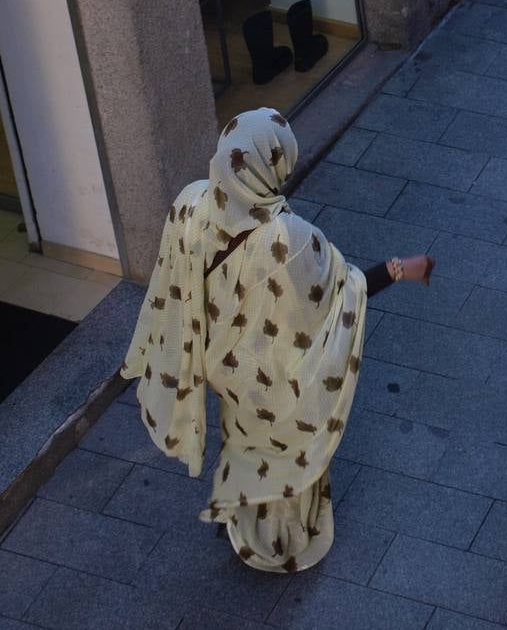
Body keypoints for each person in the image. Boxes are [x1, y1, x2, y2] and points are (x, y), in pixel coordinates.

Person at [120, 107, 434, 572]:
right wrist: (399, 269)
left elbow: (173, 282)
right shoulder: (291, 239)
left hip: (222, 365)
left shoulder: (191, 203)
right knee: (284, 448)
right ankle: (282, 538)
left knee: (243, 437)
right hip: (274, 375)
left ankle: (246, 521)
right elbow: (337, 293)